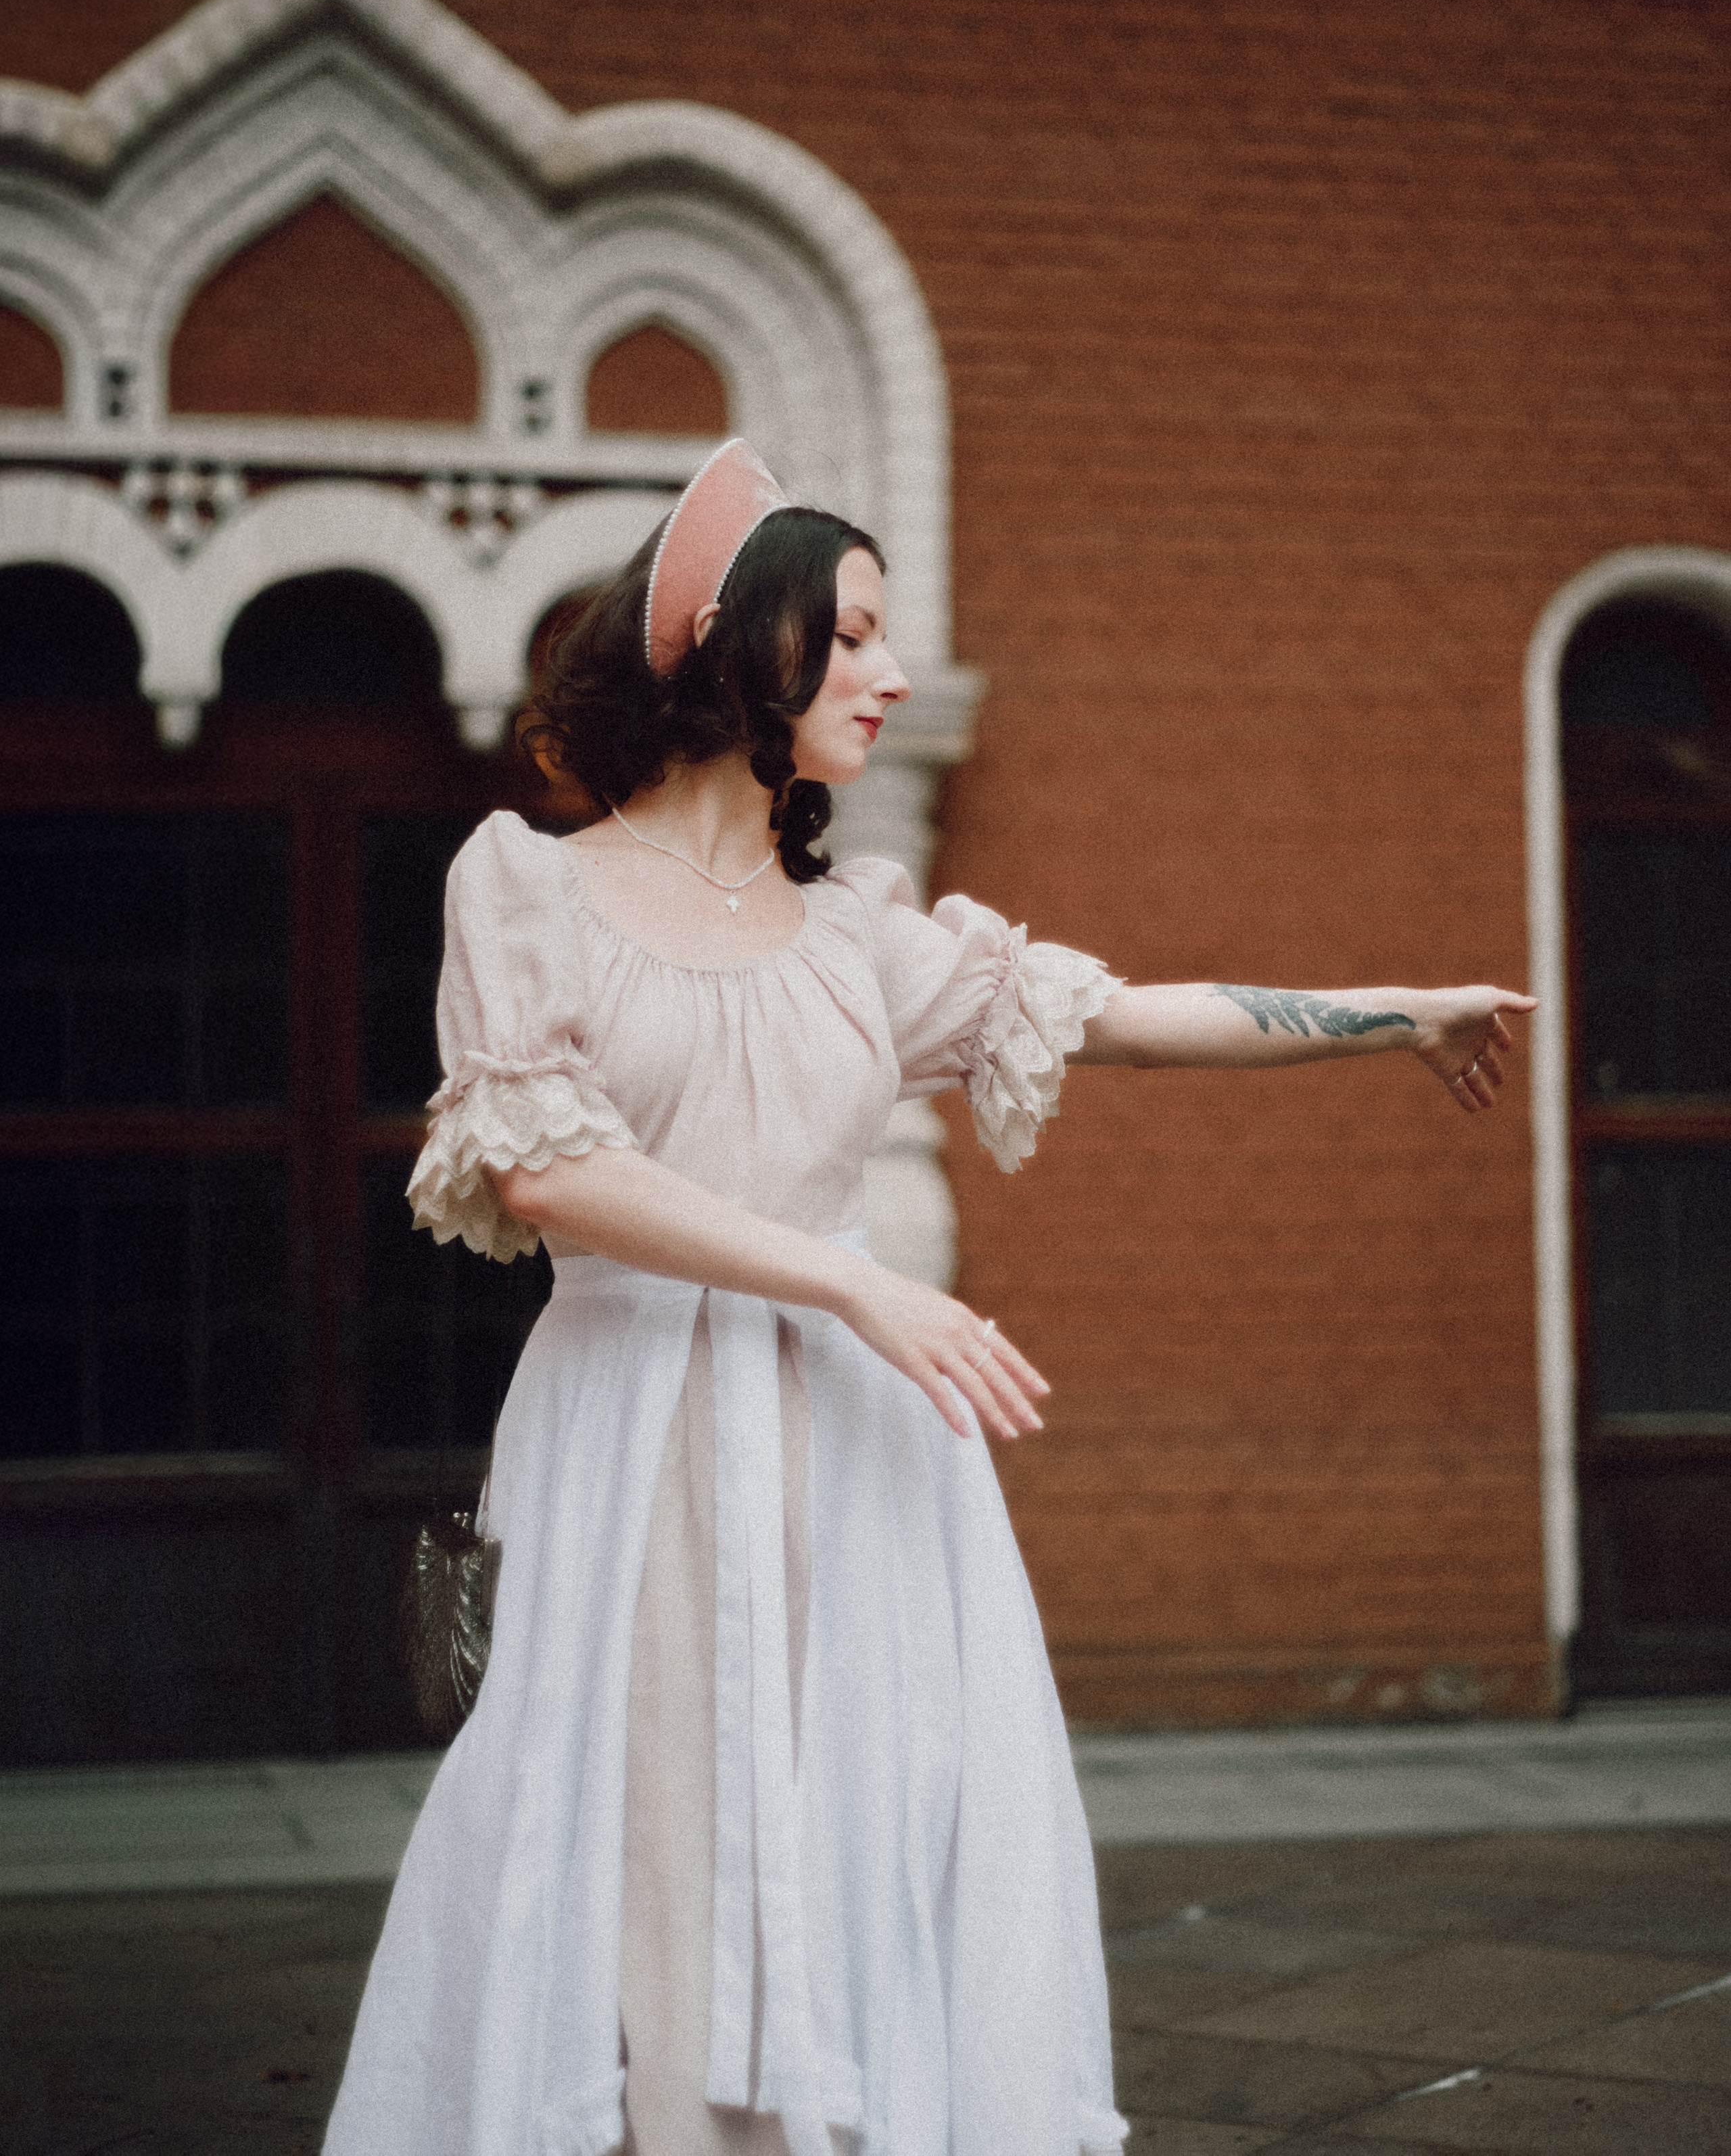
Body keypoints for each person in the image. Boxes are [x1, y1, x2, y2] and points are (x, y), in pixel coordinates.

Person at [323, 440, 1534, 2156]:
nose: (892, 673)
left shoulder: (852, 935)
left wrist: (1393, 1007)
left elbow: (1115, 1013)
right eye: (860, 632)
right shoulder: (526, 887)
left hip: (861, 1458)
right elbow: (543, 1171)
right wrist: (841, 1275)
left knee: (857, 1815)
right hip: (635, 1435)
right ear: (748, 651)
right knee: (645, 1819)